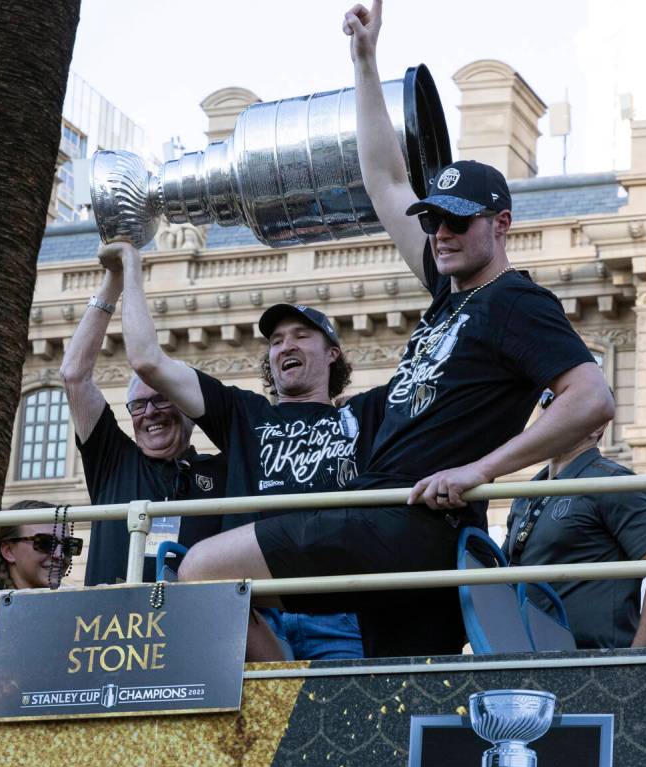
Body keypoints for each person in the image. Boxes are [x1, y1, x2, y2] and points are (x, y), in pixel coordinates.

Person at [116, 0, 614, 660]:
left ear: (500, 225)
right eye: (432, 220)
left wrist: (480, 469)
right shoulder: (447, 293)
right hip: (406, 531)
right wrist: (364, 60)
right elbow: (383, 178)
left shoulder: (514, 302)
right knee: (393, 696)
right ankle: (314, 737)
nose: (439, 234)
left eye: (457, 223)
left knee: (200, 571)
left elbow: (592, 399)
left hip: (403, 521)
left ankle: (283, 716)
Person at [110, 240, 387, 660]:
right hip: (255, 615)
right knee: (267, 721)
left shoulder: (364, 416)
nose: (285, 346)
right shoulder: (244, 414)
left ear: (333, 353)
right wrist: (130, 264)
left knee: (335, 722)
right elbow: (148, 361)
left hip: (340, 614)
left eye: (300, 336)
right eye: (276, 341)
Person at [59, 255, 226, 586]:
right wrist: (115, 279)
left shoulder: (222, 471)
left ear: (188, 409)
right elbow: (73, 374)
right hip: (111, 629)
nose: (150, 412)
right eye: (137, 406)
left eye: (162, 399)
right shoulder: (114, 462)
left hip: (195, 625)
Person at [504, 389, 646, 648]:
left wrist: (635, 669)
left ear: (597, 425)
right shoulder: (525, 493)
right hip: (527, 664)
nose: (552, 410)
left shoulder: (613, 483)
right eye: (548, 400)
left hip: (594, 667)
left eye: (568, 403)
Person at [0, 500, 82, 589]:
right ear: (8, 551)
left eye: (67, 545)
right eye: (45, 543)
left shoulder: (76, 600)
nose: (60, 555)